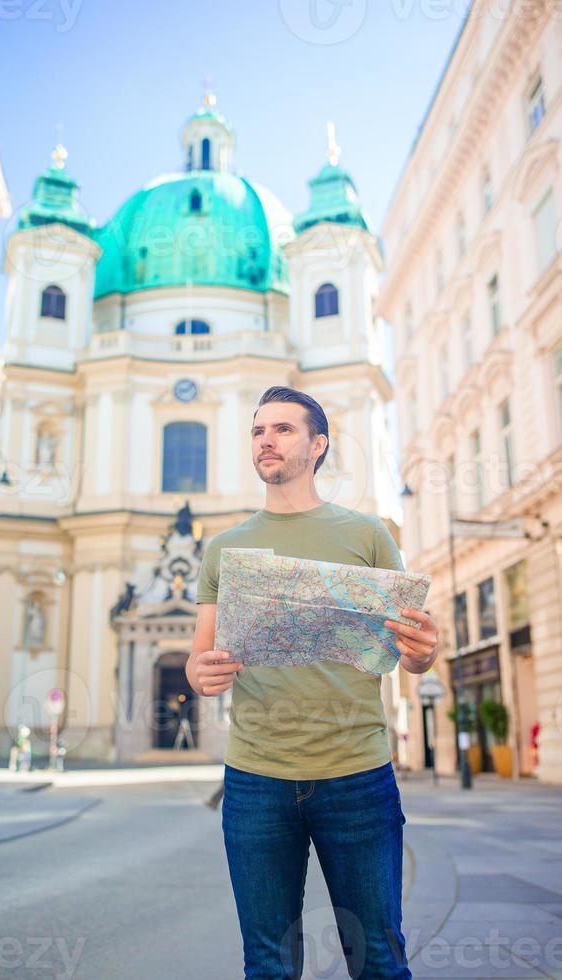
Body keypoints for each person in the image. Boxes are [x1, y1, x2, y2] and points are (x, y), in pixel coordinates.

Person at [186, 386, 439, 980]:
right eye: (257, 431)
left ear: (317, 444)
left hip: (356, 772)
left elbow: (411, 655)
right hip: (256, 780)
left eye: (282, 429)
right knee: (268, 965)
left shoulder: (368, 533)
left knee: (378, 958)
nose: (266, 440)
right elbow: (201, 662)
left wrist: (425, 653)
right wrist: (204, 674)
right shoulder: (224, 549)